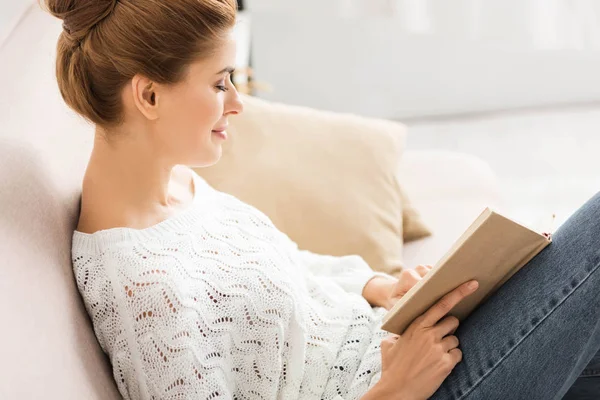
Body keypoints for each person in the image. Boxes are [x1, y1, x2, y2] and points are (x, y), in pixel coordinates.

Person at [44, 0, 600, 398]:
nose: (238, 103)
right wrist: (396, 389)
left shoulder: (175, 186)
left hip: (394, 346)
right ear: (148, 95)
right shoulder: (141, 291)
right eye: (219, 84)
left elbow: (279, 266)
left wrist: (380, 287)